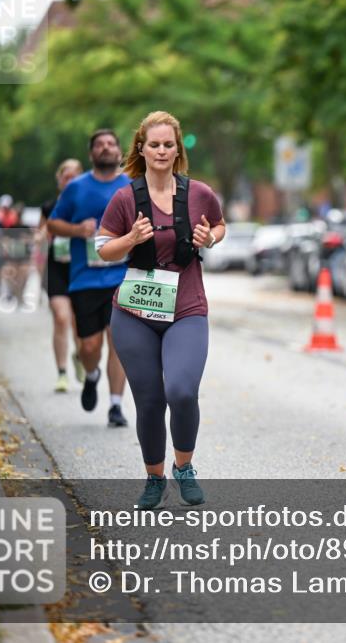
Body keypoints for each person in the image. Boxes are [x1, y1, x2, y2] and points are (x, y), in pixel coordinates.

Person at [98, 111, 225, 510]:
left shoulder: (199, 193)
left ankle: (184, 467)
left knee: (182, 390)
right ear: (141, 147)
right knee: (150, 399)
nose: (161, 150)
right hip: (134, 312)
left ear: (178, 148)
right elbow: (102, 248)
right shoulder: (124, 197)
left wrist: (210, 237)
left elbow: (220, 226)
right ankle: (154, 479)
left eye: (169, 144)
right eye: (154, 144)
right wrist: (131, 238)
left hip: (186, 308)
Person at [47, 129, 130, 427]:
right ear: (91, 153)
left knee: (118, 340)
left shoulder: (131, 186)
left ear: (119, 151)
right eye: (99, 144)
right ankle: (91, 374)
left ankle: (116, 405)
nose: (106, 148)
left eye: (111, 143)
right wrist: (77, 230)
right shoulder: (77, 188)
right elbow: (53, 223)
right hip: (84, 279)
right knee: (89, 347)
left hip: (122, 277)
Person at [41, 159, 85, 392]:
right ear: (59, 181)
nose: (69, 181)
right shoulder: (50, 207)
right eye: (65, 177)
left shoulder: (87, 205)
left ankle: (79, 356)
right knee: (61, 318)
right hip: (56, 268)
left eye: (74, 177)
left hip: (80, 269)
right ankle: (61, 373)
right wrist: (40, 238)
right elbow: (41, 232)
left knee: (80, 325)